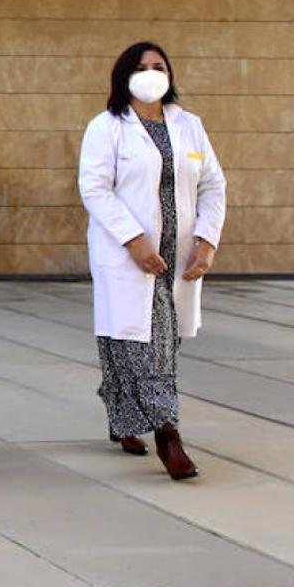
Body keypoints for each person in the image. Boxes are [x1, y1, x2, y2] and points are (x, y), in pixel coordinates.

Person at [78, 42, 226, 480]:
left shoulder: (190, 127)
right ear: (124, 76)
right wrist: (133, 240)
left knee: (156, 341)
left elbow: (214, 187)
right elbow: (95, 189)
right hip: (128, 257)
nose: (150, 73)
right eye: (141, 67)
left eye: (158, 66)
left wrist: (207, 241)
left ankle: (123, 421)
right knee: (139, 344)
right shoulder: (107, 127)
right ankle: (168, 434)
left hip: (177, 258)